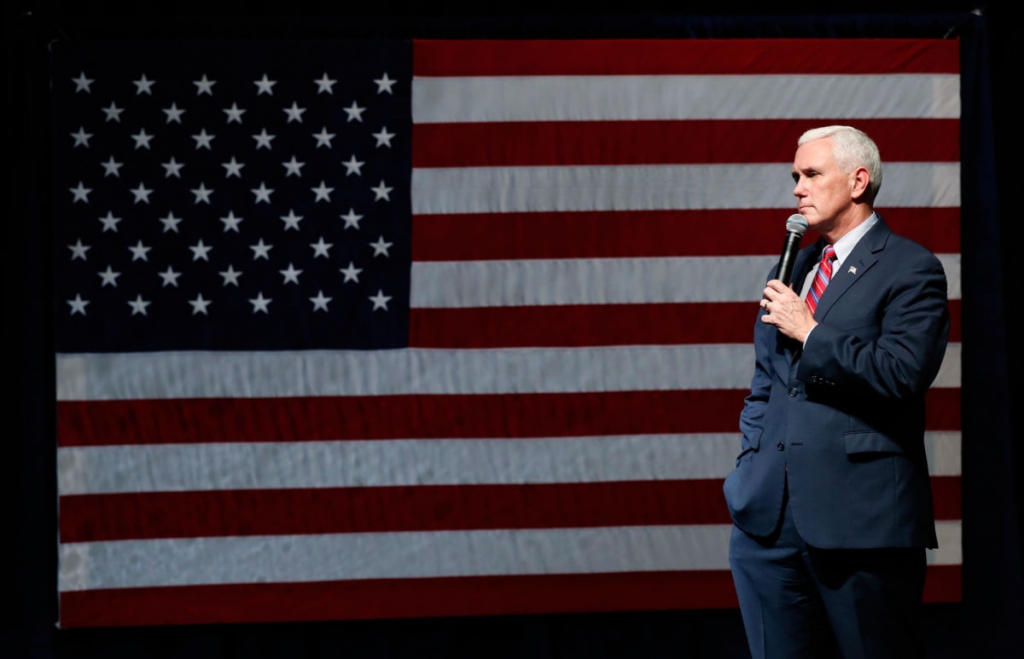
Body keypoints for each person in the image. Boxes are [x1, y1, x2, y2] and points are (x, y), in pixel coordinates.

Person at [723, 125, 950, 659]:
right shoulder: (796, 267)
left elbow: (902, 373)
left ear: (858, 180)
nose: (797, 189)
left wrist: (812, 332)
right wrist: (748, 463)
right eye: (794, 177)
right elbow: (766, 383)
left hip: (860, 523)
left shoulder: (910, 267)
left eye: (811, 175)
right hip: (767, 523)